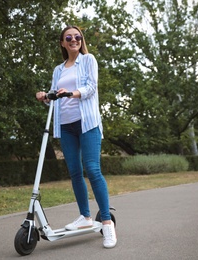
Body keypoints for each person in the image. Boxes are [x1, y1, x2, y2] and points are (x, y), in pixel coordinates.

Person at [35, 25, 117, 249]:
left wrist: (71, 93)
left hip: (87, 122)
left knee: (92, 169)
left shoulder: (89, 60)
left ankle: (107, 224)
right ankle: (85, 216)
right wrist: (44, 96)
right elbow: (54, 96)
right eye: (68, 37)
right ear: (62, 43)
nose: (74, 40)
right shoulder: (58, 70)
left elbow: (91, 88)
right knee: (74, 171)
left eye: (77, 37)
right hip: (66, 126)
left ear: (81, 40)